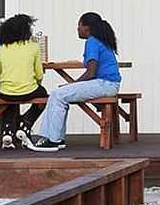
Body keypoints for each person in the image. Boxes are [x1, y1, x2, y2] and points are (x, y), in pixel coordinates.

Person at [19, 12, 121, 152]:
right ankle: (57, 139)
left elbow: (91, 73)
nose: (77, 29)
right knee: (60, 94)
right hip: (109, 84)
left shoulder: (92, 41)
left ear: (87, 27)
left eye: (79, 25)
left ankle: (53, 140)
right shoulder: (100, 40)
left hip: (105, 84)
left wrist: (72, 85)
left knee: (58, 94)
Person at [0, 14, 47, 150]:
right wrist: (37, 83)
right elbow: (39, 74)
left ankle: (8, 130)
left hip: (5, 91)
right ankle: (25, 125)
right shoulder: (33, 47)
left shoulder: (1, 49)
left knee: (9, 100)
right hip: (28, 90)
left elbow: (0, 72)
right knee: (45, 97)